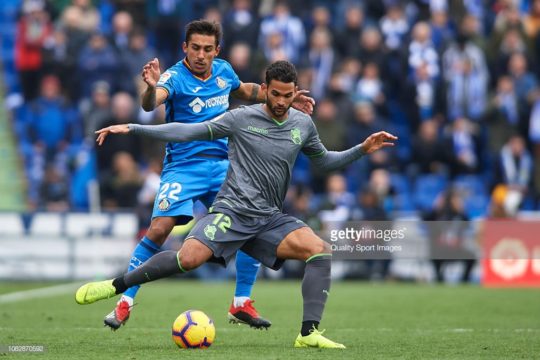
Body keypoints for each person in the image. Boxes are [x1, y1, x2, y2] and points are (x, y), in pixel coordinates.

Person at [77, 60, 396, 348]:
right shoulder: (241, 118)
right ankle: (117, 285)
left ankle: (307, 333)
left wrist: (361, 149)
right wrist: (134, 127)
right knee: (187, 259)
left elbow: (324, 162)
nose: (282, 102)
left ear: (295, 92)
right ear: (265, 89)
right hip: (232, 212)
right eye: (276, 94)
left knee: (320, 250)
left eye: (288, 95)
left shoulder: (303, 124)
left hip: (270, 218)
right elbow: (189, 131)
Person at [103, 20, 315, 331]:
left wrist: (283, 98)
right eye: (195, 48)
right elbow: (152, 103)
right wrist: (150, 88)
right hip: (183, 167)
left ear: (216, 50)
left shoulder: (224, 71)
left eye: (207, 49)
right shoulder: (174, 77)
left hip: (224, 165)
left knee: (253, 221)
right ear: (184, 48)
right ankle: (125, 301)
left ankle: (241, 302)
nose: (201, 55)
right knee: (160, 229)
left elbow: (248, 90)